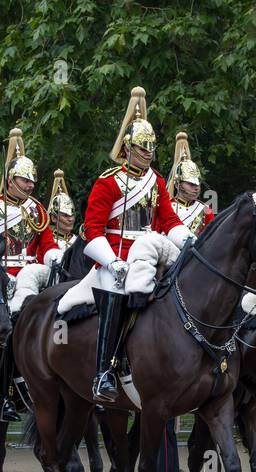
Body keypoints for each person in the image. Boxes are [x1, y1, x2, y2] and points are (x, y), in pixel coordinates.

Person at [82, 87, 195, 403]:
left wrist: (188, 240)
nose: (148, 153)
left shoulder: (157, 181)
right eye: (142, 147)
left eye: (151, 148)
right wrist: (110, 261)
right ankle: (104, 371)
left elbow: (169, 220)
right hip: (115, 258)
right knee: (116, 295)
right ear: (127, 148)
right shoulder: (108, 181)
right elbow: (92, 229)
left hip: (150, 253)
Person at [0, 128, 59, 420]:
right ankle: (3, 394)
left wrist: (56, 257)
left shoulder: (38, 212)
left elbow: (48, 246)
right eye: (24, 179)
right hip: (0, 281)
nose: (30, 185)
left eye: (32, 180)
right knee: (6, 329)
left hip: (32, 276)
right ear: (10, 181)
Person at [167, 132, 215, 236]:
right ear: (177, 185)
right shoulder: (166, 207)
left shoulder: (205, 210)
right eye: (191, 184)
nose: (196, 188)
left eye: (197, 183)